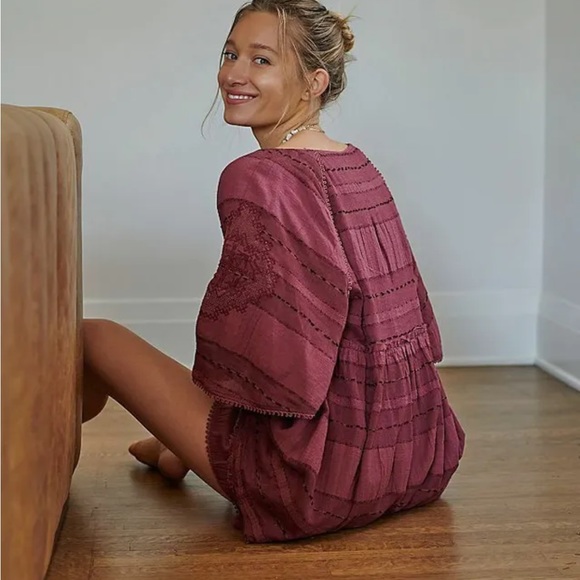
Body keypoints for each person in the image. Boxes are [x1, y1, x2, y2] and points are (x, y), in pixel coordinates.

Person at [83, 0, 465, 543]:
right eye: (230, 54)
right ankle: (173, 449)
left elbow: (268, 362)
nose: (233, 74)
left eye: (261, 60)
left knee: (92, 337)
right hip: (413, 455)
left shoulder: (259, 176)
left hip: (310, 482)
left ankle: (34, 459)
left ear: (314, 82)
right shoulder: (358, 165)